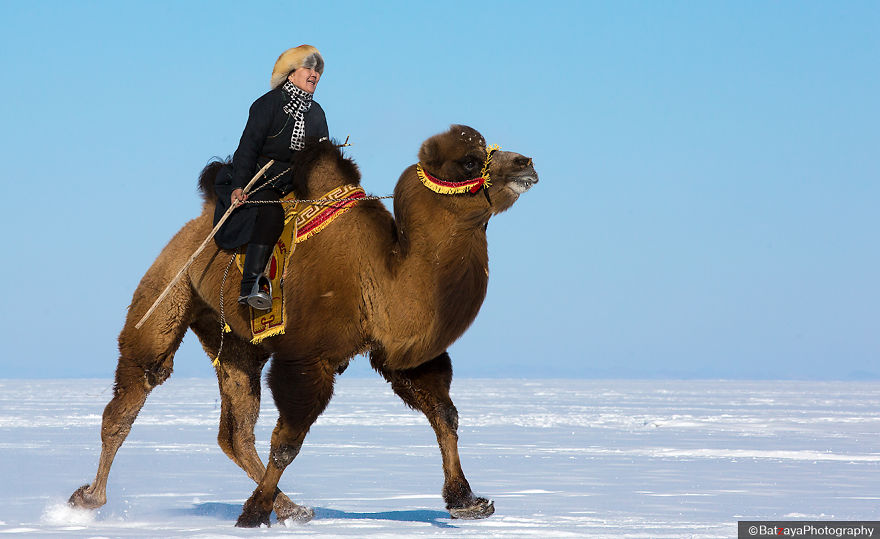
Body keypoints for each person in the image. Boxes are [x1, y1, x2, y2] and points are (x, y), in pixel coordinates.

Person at [212, 45, 329, 310]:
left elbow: (321, 160)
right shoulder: (267, 105)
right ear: (290, 74)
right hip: (259, 182)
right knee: (272, 213)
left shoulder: (317, 114)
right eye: (308, 68)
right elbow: (247, 148)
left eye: (318, 71)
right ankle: (251, 285)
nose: (314, 75)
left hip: (295, 187)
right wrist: (239, 185)